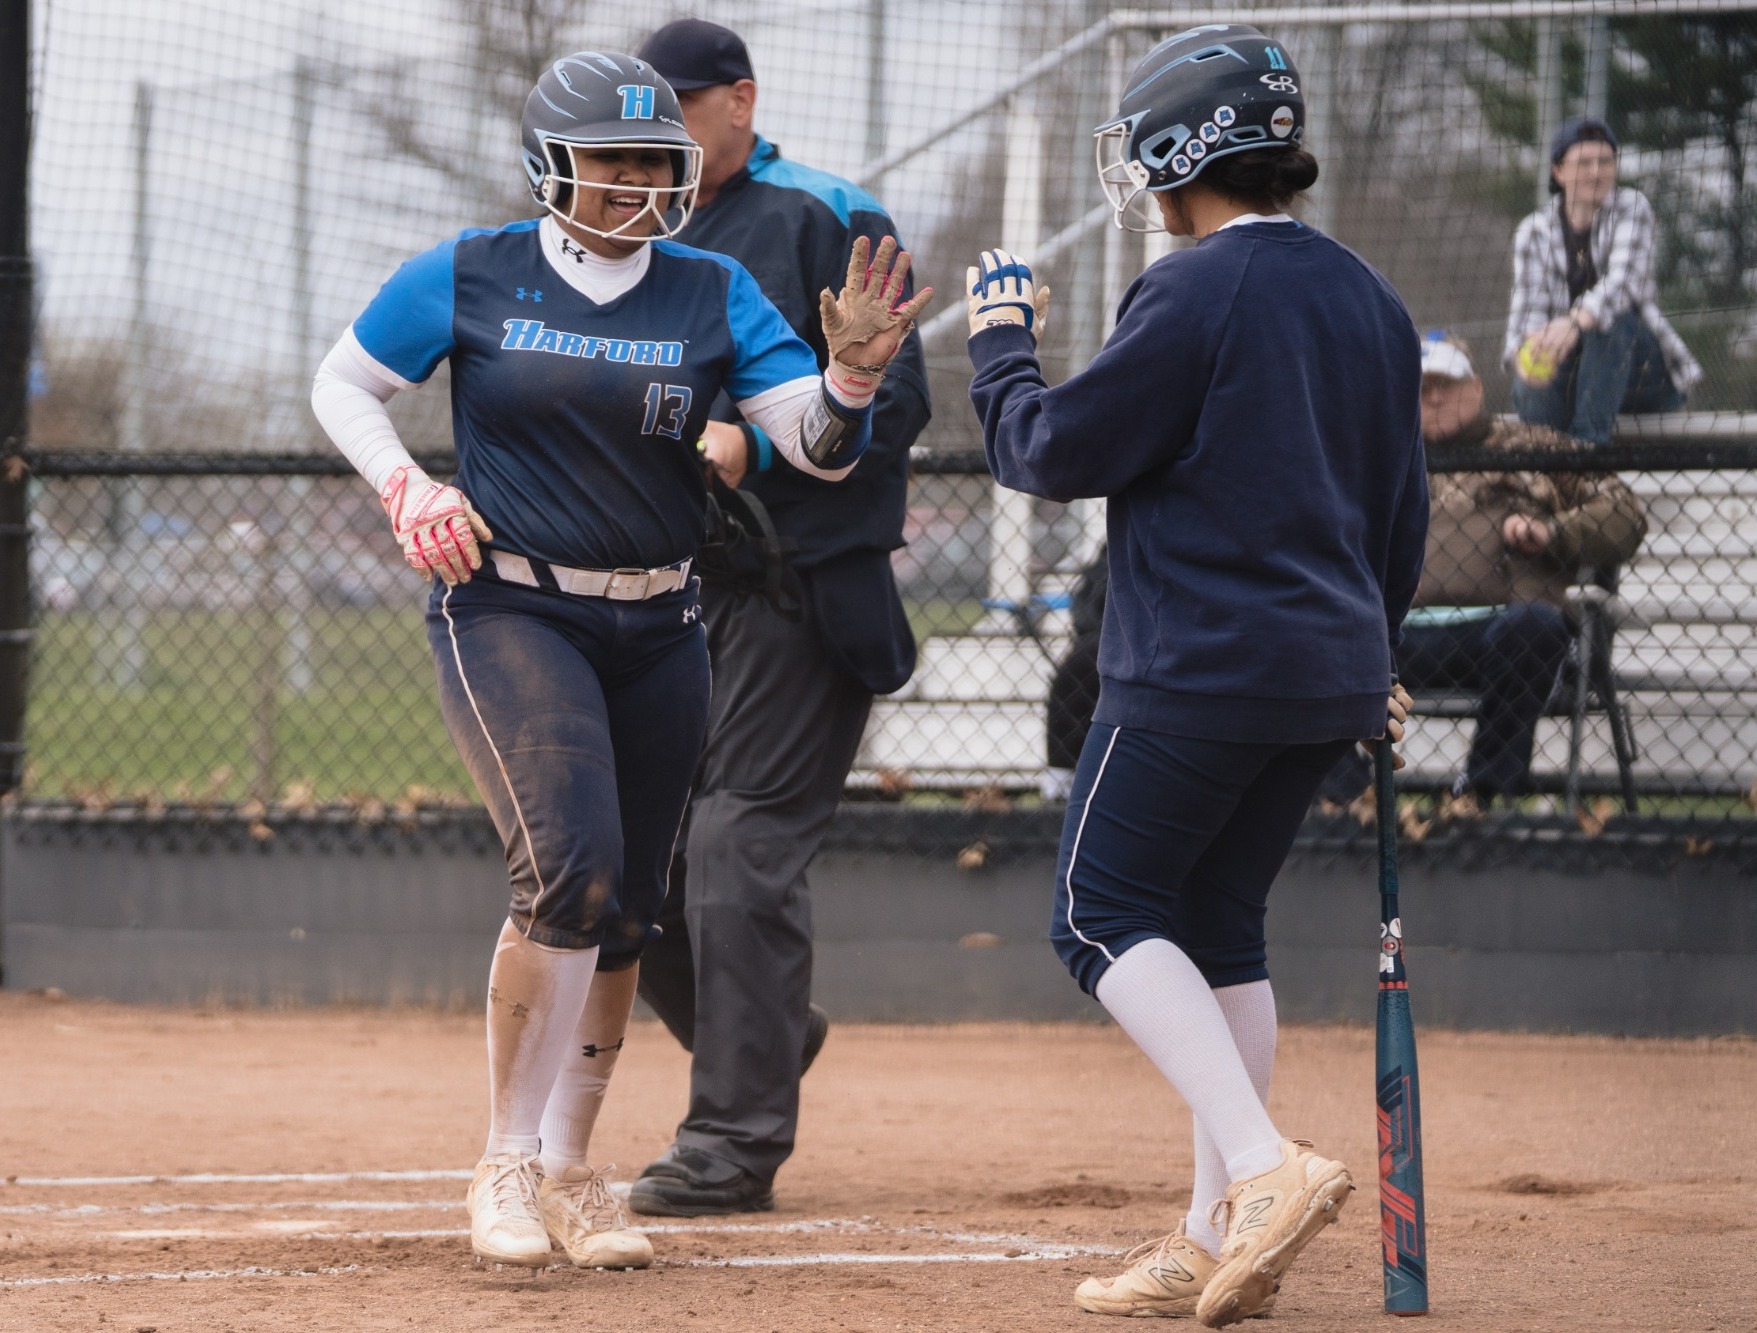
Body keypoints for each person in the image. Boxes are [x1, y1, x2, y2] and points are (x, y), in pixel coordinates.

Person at [309, 50, 928, 1271]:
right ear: (552, 165)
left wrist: (851, 376)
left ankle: (575, 1170)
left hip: (661, 622)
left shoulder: (708, 286)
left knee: (631, 905)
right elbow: (346, 382)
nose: (639, 182)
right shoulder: (472, 271)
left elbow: (806, 443)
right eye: (612, 161)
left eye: (657, 161)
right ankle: (505, 1159)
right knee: (569, 870)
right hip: (508, 608)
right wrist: (406, 487)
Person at [966, 26, 1426, 1325]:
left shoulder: (1191, 287)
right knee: (1219, 926)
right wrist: (1373, 653)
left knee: (1097, 911)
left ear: (1187, 151)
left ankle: (1265, 1170)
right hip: (1325, 673)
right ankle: (1212, 1229)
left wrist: (1000, 344)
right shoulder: (1370, 298)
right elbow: (1401, 509)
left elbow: (1054, 449)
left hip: (1199, 668)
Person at [625, 18, 931, 1219]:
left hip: (799, 590)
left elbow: (891, 400)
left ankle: (730, 1139)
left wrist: (754, 440)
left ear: (740, 100)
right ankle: (761, 1033)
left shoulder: (822, 210)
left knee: (736, 850)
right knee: (623, 868)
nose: (661, 132)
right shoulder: (634, 231)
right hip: (666, 601)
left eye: (683, 108)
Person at [1323, 332, 1647, 811]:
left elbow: (1627, 514)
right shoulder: (1380, 461)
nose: (1434, 396)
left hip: (1500, 634)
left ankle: (1477, 796)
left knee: (1534, 626)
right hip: (1389, 641)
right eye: (1422, 385)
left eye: (1447, 384)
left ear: (1475, 390)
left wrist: (1553, 532)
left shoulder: (1534, 448)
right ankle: (1353, 799)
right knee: (1301, 636)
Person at [1506, 115, 1700, 447]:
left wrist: (1573, 324)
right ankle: (1549, 464)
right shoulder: (1532, 232)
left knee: (1609, 322)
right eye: (1584, 162)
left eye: (1605, 161)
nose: (1596, 172)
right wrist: (1530, 353)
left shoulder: (1632, 208)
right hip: (1574, 382)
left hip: (1643, 377)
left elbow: (1621, 285)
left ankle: (1586, 454)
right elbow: (1527, 317)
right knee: (1528, 383)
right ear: (1558, 171)